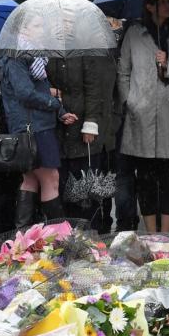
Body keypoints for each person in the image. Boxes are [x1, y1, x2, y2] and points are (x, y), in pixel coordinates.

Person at [118, 0, 169, 233]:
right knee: (146, 179)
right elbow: (124, 71)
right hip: (141, 115)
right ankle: (150, 232)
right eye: (163, 2)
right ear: (150, 7)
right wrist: (130, 101)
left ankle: (166, 231)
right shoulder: (134, 33)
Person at [0, 15, 77, 230]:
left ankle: (22, 236)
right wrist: (54, 104)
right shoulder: (17, 57)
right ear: (22, 30)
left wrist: (60, 111)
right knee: (50, 178)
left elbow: (40, 89)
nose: (42, 30)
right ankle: (60, 235)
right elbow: (25, 93)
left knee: (31, 180)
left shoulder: (35, 58)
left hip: (35, 125)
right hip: (32, 128)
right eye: (37, 25)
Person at [48, 52, 117, 233]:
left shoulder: (84, 52)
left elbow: (93, 90)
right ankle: (65, 236)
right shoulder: (47, 52)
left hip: (83, 130)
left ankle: (89, 234)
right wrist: (49, 91)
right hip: (58, 128)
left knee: (85, 188)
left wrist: (90, 123)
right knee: (61, 188)